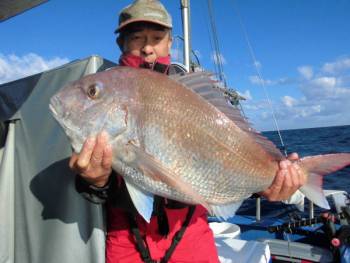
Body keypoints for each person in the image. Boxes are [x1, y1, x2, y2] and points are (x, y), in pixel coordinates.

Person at [70, 1, 306, 262]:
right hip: (126, 238)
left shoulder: (197, 95)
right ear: (122, 45)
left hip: (191, 236)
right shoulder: (107, 97)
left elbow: (226, 159)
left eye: (157, 38)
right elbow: (93, 186)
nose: (147, 48)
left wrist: (268, 184)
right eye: (136, 38)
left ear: (170, 42)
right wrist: (95, 181)